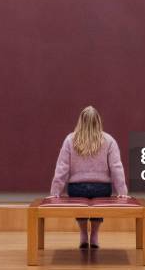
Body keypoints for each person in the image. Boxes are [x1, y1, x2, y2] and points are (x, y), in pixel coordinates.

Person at [49, 106, 129, 249]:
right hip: (102, 188)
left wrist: (55, 192)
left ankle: (83, 234)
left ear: (80, 121)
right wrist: (122, 193)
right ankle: (95, 235)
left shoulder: (70, 139)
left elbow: (62, 168)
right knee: (98, 206)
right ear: (98, 121)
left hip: (77, 188)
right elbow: (117, 168)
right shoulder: (109, 140)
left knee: (81, 206)